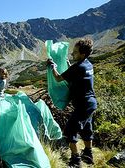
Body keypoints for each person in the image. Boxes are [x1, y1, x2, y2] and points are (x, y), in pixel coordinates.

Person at [47, 38, 97, 167]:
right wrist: (68, 63)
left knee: (70, 131)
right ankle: (88, 154)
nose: (72, 54)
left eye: (75, 52)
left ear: (83, 54)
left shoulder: (77, 67)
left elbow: (58, 78)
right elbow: (76, 73)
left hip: (83, 105)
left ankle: (76, 160)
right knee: (87, 129)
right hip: (90, 103)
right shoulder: (88, 65)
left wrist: (53, 67)